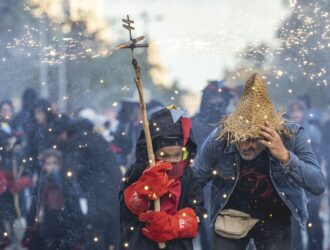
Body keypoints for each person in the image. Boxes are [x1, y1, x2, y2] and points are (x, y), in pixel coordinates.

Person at [193, 73, 326, 250]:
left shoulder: (291, 135)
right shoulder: (221, 135)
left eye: (253, 140)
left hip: (275, 218)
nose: (245, 146)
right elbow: (197, 179)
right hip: (231, 216)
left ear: (268, 133)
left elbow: (318, 184)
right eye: (241, 138)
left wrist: (285, 156)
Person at [119, 106, 205, 250]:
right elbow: (126, 212)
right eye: (164, 156)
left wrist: (171, 225)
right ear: (152, 153)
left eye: (178, 155)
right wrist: (143, 189)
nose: (172, 162)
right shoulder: (138, 172)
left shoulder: (188, 177)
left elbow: (198, 215)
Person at [192, 80, 234, 250]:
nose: (217, 103)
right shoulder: (192, 125)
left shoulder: (232, 125)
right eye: (213, 98)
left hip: (228, 186)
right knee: (207, 235)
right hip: (201, 187)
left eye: (220, 99)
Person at [23, 149, 83, 250]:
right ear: (44, 166)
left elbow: (75, 205)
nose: (52, 166)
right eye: (48, 163)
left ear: (59, 164)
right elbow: (35, 207)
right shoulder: (41, 184)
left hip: (65, 224)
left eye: (54, 163)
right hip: (47, 224)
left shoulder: (66, 182)